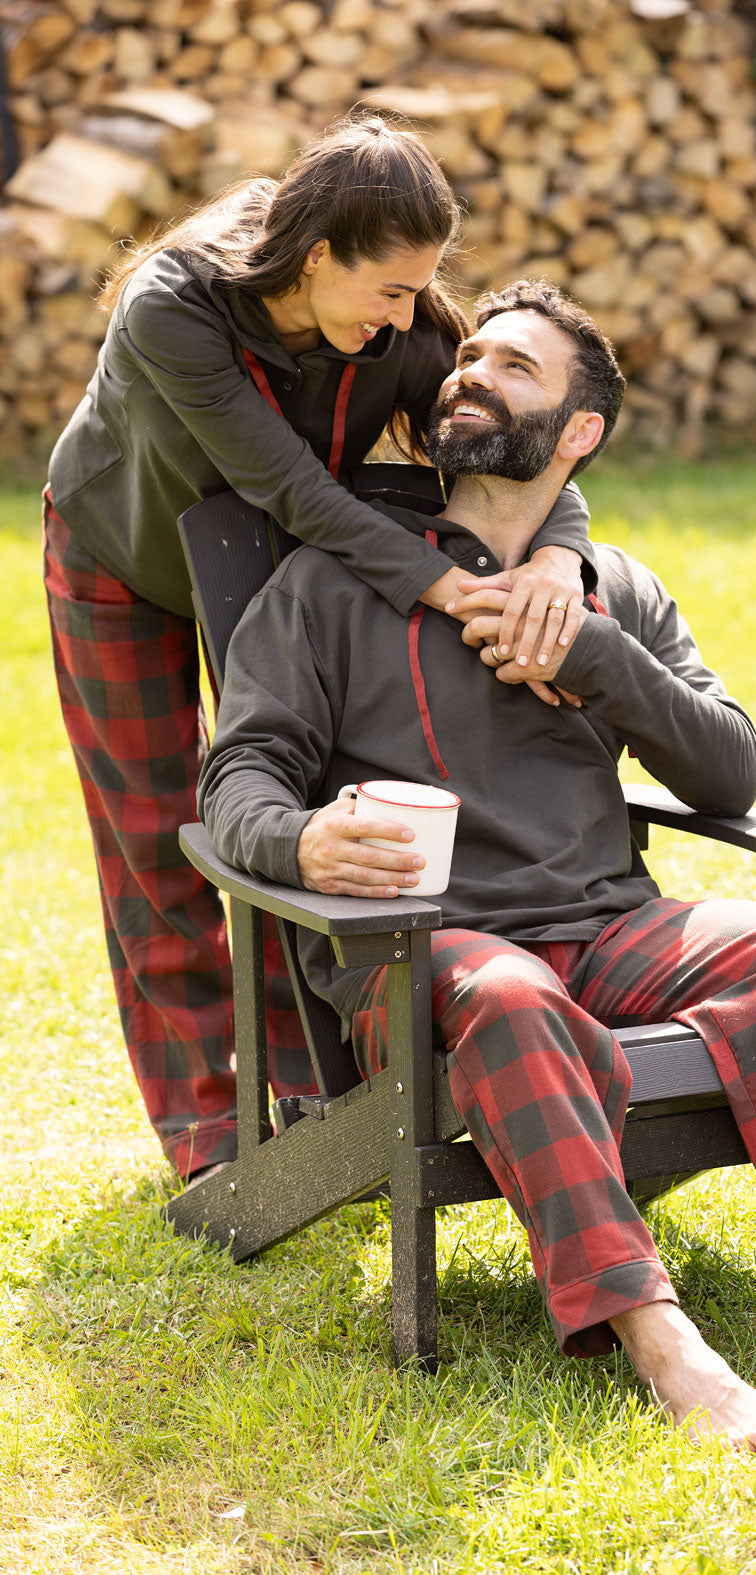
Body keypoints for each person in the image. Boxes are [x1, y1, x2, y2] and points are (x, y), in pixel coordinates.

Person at [198, 279, 756, 1450]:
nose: (468, 373)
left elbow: (728, 770)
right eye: (467, 355)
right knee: (509, 991)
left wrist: (597, 649)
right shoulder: (335, 579)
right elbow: (236, 778)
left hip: (607, 927)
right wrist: (301, 839)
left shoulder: (613, 587)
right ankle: (659, 1338)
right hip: (422, 957)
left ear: (578, 434)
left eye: (513, 366)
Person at [42, 116, 594, 1182]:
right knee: (160, 837)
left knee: (300, 812)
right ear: (314, 257)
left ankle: (308, 1100)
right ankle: (207, 1129)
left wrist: (559, 560)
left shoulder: (406, 330)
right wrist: (445, 583)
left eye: (418, 291)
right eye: (387, 290)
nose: (408, 317)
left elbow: (516, 447)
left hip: (278, 578)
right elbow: (288, 486)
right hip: (123, 555)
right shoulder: (175, 303)